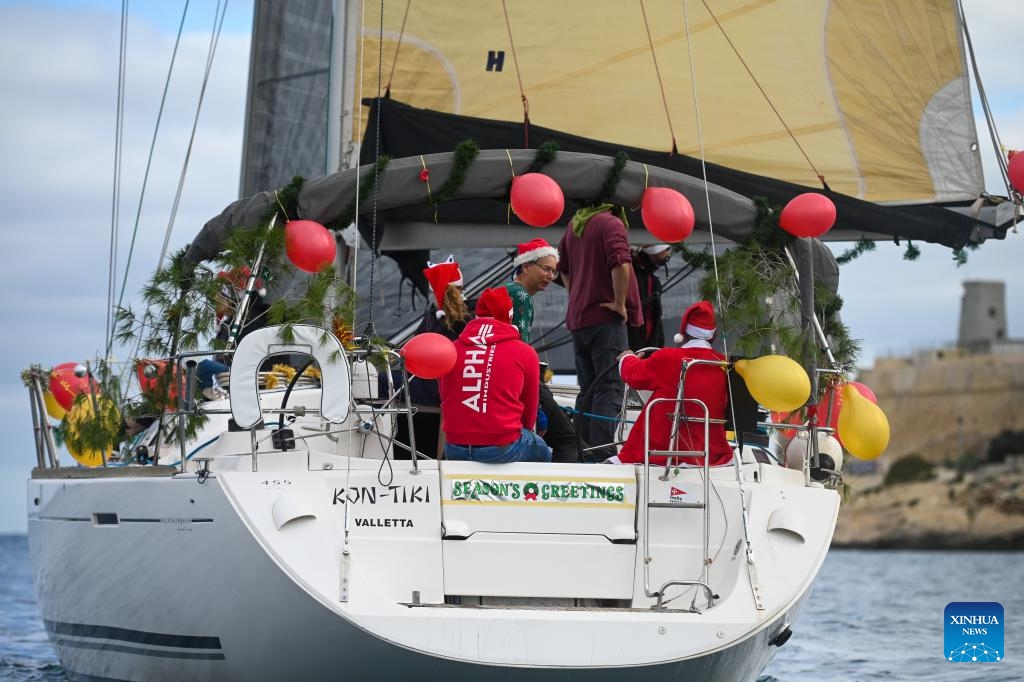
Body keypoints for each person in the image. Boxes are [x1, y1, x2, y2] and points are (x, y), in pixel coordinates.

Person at [557, 205, 642, 460]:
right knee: (609, 386)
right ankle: (602, 452)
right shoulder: (610, 223)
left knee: (589, 388)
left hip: (580, 319)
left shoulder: (575, 224)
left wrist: (577, 295)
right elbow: (621, 263)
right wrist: (618, 301)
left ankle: (581, 449)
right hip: (605, 317)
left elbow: (563, 268)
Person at [611, 301, 733, 467]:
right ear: (713, 335)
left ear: (683, 332)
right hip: (711, 454)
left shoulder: (668, 357)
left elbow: (634, 374)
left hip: (663, 451)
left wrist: (627, 357)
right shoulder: (724, 364)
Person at [439, 287, 552, 463]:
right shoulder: (525, 352)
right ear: (510, 317)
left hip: (454, 448)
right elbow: (529, 414)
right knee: (544, 450)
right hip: (502, 448)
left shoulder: (451, 349)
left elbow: (446, 396)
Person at [504, 237, 582, 463]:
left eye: (554, 271)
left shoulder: (512, 293)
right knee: (568, 438)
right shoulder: (519, 296)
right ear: (526, 266)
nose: (550, 276)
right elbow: (517, 347)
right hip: (522, 379)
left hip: (512, 379)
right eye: (546, 269)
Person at [628, 244, 672, 352]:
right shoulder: (633, 275)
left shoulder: (652, 279)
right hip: (634, 346)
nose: (668, 253)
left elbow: (656, 317)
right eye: (665, 249)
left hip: (650, 345)